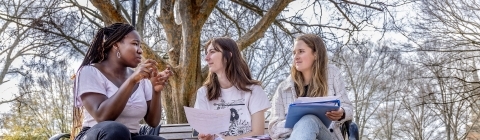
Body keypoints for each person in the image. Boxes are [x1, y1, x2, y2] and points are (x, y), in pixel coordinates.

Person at [73, 23, 172, 140]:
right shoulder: (90, 72)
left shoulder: (141, 79)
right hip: (98, 135)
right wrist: (131, 81)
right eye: (135, 44)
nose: (140, 51)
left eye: (140, 46)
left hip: (131, 136)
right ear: (116, 45)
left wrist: (156, 91)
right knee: (116, 130)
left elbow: (153, 122)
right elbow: (102, 116)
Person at [268, 34, 353, 140]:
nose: (296, 57)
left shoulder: (333, 73)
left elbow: (348, 108)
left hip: (326, 135)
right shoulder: (283, 88)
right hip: (290, 137)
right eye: (294, 53)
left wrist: (342, 112)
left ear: (316, 54)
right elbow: (273, 129)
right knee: (307, 120)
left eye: (301, 51)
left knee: (309, 120)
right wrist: (299, 123)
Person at [194, 37, 271, 140]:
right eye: (206, 53)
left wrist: (224, 139)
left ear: (228, 56)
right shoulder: (203, 93)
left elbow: (258, 133)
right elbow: (203, 132)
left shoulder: (253, 90)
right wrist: (205, 136)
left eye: (212, 52)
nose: (206, 58)